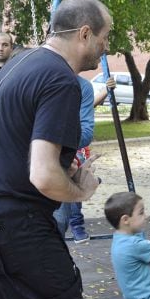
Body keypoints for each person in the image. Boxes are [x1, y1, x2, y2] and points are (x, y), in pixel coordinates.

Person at [0, 0, 111, 299]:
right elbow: (43, 174)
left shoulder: (15, 66)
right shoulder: (61, 81)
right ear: (84, 33)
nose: (106, 47)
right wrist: (80, 188)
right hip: (24, 232)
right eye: (104, 37)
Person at [54, 75, 115, 243]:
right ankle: (77, 227)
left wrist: (105, 91)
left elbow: (87, 109)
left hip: (75, 147)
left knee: (74, 183)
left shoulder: (80, 86)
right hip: (60, 148)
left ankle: (78, 227)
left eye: (5, 45)